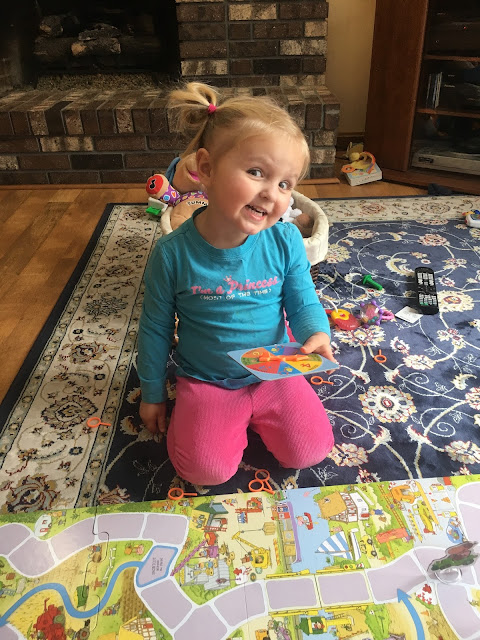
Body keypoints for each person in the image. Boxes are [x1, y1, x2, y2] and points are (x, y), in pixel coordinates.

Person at [137, 82, 336, 486]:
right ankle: (214, 422)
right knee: (205, 471)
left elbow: (302, 301)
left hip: (273, 368)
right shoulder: (172, 254)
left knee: (311, 450)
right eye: (256, 172)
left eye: (285, 184)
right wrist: (152, 393)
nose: (271, 194)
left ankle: (251, 418)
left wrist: (316, 332)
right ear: (207, 169)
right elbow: (155, 329)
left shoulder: (285, 240)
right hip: (207, 378)